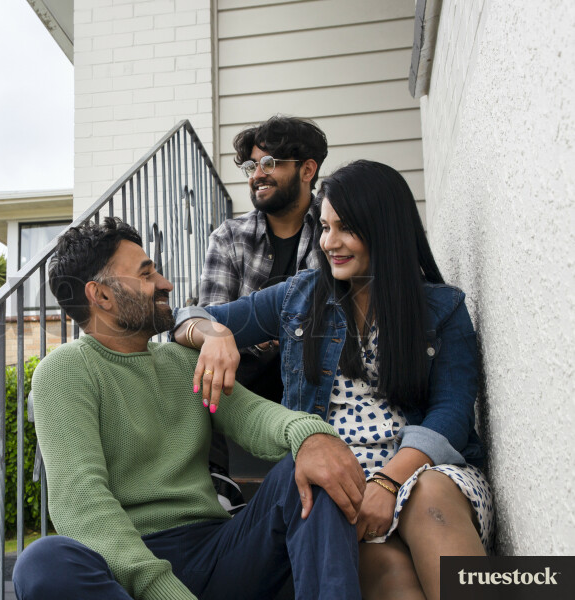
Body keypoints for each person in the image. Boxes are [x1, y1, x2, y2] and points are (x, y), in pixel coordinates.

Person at [175, 161, 493, 600]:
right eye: (324, 227)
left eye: (345, 228)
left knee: (430, 498)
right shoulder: (299, 296)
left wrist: (388, 482)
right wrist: (213, 334)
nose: (330, 243)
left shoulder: (442, 309)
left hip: (423, 470)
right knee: (389, 571)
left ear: (384, 229)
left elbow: (452, 411)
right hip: (338, 485)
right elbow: (187, 319)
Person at [12, 217, 365, 600]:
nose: (166, 284)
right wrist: (163, 590)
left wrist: (309, 434)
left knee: (312, 467)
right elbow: (80, 501)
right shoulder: (65, 370)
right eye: (147, 275)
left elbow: (254, 417)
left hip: (216, 551)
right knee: (42, 562)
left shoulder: (182, 361)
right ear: (102, 296)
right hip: (122, 567)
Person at [200, 116, 328, 509]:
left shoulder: (334, 227)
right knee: (193, 357)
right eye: (252, 166)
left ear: (307, 169)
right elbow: (213, 317)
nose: (258, 174)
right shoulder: (230, 237)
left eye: (270, 163)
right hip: (247, 373)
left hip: (316, 368)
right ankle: (216, 486)